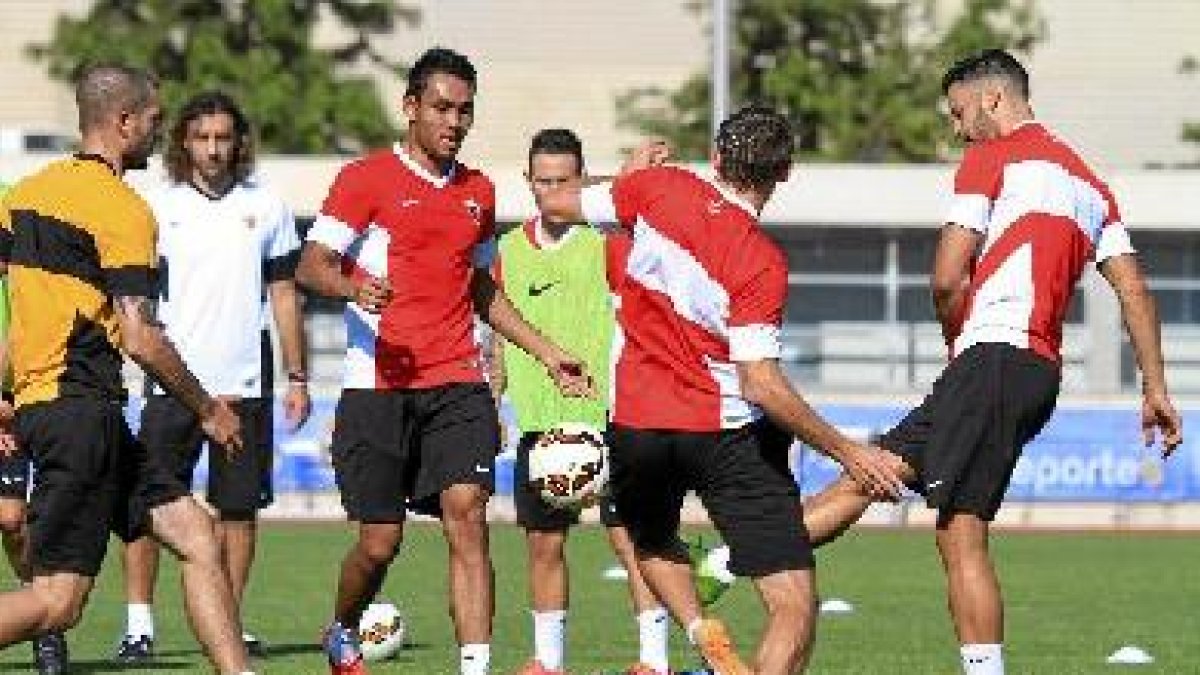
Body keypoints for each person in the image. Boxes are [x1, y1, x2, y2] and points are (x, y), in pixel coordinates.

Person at [800, 49, 1183, 675]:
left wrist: (958, 341)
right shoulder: (1092, 185)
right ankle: (724, 567)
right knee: (869, 475)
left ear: (993, 99)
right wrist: (1156, 387)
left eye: (958, 113)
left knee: (960, 529)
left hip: (994, 358)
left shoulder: (992, 158)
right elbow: (1134, 290)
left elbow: (948, 278)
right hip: (1031, 370)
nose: (957, 130)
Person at [539, 106, 904, 675]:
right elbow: (760, 381)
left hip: (637, 423)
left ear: (714, 158)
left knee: (653, 542)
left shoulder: (658, 188)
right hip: (725, 434)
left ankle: (698, 626)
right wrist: (848, 450)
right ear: (783, 175)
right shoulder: (761, 263)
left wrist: (626, 176)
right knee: (792, 606)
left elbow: (556, 202)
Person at [295, 47, 591, 675]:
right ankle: (342, 625)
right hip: (377, 387)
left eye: (464, 111)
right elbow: (311, 265)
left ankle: (475, 666)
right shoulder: (364, 180)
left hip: (458, 381)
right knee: (380, 544)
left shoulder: (477, 192)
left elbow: (482, 289)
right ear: (410, 108)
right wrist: (354, 287)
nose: (453, 122)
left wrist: (546, 352)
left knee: (467, 514)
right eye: (441, 108)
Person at [0, 64, 257, 675]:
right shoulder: (123, 211)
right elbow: (140, 338)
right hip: (79, 416)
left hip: (72, 414)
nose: (156, 132)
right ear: (123, 122)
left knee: (196, 535)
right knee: (57, 603)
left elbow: (19, 323)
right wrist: (207, 407)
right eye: (153, 121)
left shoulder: (23, 194)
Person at [113, 91, 310, 662]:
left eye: (224, 138)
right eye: (202, 138)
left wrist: (298, 376)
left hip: (245, 384)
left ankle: (229, 618)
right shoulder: (156, 207)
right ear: (183, 143)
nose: (214, 149)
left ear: (239, 143)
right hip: (172, 386)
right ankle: (139, 625)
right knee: (146, 508)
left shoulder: (267, 206)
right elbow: (139, 303)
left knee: (239, 510)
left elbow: (283, 292)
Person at [488, 129, 670, 675]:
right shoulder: (507, 250)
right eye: (541, 182)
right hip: (540, 427)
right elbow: (499, 331)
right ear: (528, 182)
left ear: (583, 180)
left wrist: (633, 177)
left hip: (609, 420)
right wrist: (494, 400)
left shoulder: (607, 242)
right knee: (543, 547)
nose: (551, 192)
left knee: (631, 542)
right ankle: (548, 662)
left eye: (563, 181)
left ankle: (653, 662)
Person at [0, 180, 70, 674]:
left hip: (11, 393)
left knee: (11, 520)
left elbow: (27, 313)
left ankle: (45, 624)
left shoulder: (13, 203)